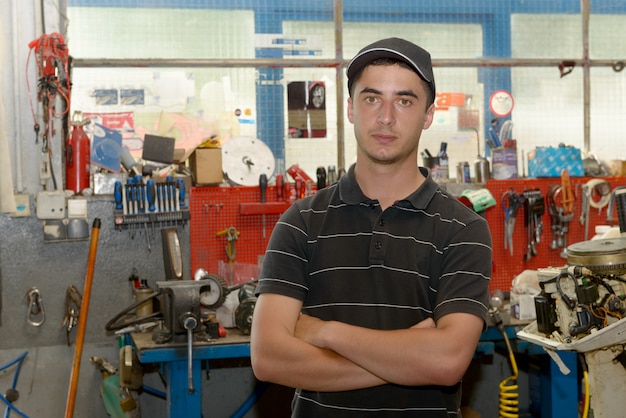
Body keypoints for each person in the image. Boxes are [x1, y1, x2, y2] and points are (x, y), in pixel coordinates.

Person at [250, 37, 492, 417]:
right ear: (350, 108)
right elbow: (268, 357)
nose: (386, 117)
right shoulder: (300, 222)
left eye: (405, 101)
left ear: (428, 114)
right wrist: (408, 358)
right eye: (371, 98)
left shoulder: (463, 229)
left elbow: (446, 363)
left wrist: (326, 332)